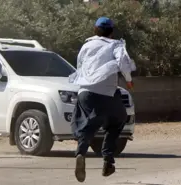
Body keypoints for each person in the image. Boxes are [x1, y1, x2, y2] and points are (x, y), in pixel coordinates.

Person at [68, 16, 136, 182]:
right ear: (111, 32)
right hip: (106, 93)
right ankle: (108, 160)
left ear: (95, 30)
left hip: (85, 92)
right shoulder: (115, 45)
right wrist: (128, 79)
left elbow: (80, 66)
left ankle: (81, 153)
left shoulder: (86, 45)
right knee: (118, 120)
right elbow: (122, 62)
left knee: (87, 124)